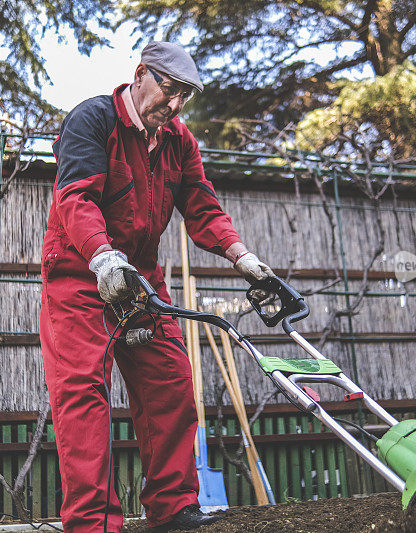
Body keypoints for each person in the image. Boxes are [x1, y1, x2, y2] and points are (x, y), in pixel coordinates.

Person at [40, 41, 274, 532]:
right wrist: (103, 257)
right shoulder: (94, 119)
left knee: (170, 380)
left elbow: (203, 209)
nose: (175, 106)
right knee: (83, 393)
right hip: (80, 275)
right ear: (142, 75)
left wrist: (243, 257)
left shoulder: (178, 142)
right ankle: (92, 523)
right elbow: (76, 198)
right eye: (170, 91)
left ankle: (172, 507)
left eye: (185, 96)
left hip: (141, 280)